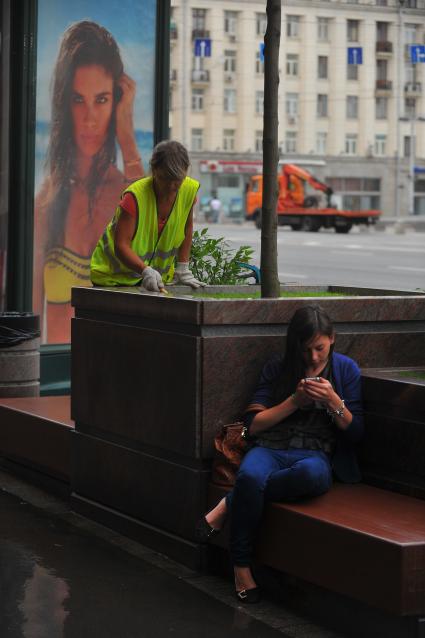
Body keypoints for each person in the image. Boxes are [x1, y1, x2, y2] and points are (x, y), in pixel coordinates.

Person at [197, 305, 364, 604]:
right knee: (249, 475)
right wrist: (294, 401)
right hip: (271, 447)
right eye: (305, 350)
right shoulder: (278, 367)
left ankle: (228, 504)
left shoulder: (345, 370)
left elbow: (356, 433)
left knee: (308, 476)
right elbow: (253, 426)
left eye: (320, 348)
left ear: (333, 338)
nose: (313, 357)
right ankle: (241, 567)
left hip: (314, 454)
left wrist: (334, 402)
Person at [33, 21, 144, 343]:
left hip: (110, 373)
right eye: (78, 99)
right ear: (64, 103)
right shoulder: (46, 202)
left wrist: (127, 135)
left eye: (102, 99)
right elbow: (28, 317)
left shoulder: (125, 192)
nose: (90, 118)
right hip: (55, 377)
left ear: (117, 102)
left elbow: (149, 243)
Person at [90, 140, 204, 291]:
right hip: (112, 279)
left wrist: (183, 267)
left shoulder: (189, 191)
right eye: (165, 179)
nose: (171, 187)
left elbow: (187, 228)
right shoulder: (135, 197)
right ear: (154, 170)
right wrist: (145, 270)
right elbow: (121, 245)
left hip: (152, 280)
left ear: (186, 171)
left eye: (177, 180)